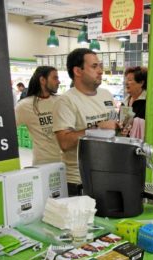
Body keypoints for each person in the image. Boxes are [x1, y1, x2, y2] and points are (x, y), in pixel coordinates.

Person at [53, 48, 117, 196]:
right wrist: (97, 128)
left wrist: (119, 128)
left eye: (100, 66)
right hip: (78, 182)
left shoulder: (106, 95)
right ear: (77, 71)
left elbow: (111, 129)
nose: (100, 71)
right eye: (94, 66)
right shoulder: (66, 101)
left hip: (106, 175)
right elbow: (64, 143)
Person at [15, 66, 61, 165]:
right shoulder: (24, 106)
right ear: (43, 80)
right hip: (44, 165)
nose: (58, 82)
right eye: (55, 78)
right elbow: (7, 130)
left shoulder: (60, 101)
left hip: (67, 163)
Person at [120, 66, 147, 139]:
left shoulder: (148, 103)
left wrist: (134, 122)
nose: (126, 82)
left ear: (141, 83)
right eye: (126, 79)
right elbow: (122, 123)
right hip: (125, 143)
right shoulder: (125, 102)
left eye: (130, 80)